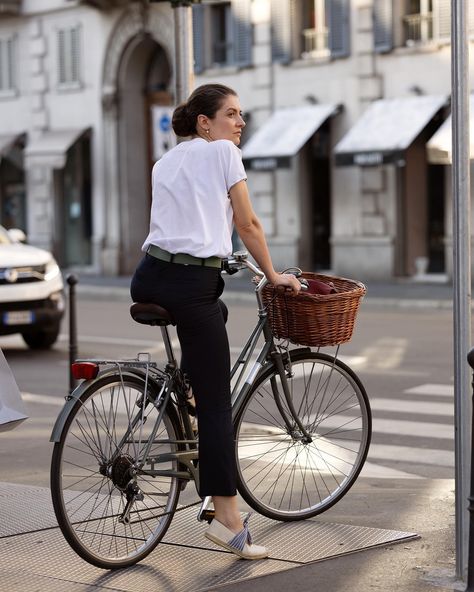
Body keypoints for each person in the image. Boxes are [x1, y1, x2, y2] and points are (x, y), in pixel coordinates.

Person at [130, 83, 301, 560]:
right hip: (190, 286)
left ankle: (184, 384)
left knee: (215, 317)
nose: (239, 123)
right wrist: (274, 275)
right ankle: (227, 518)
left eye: (241, 115)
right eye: (231, 113)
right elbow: (247, 225)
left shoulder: (165, 162)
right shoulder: (223, 151)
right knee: (217, 406)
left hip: (148, 278)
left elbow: (186, 223)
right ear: (206, 123)